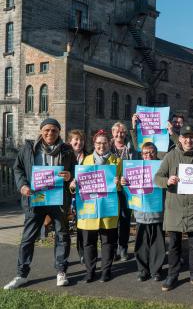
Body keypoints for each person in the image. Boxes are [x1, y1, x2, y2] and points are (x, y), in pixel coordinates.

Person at [4, 118, 76, 289]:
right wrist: (22, 185)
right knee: (28, 238)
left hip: (58, 200)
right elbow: (18, 168)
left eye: (54, 130)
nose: (50, 133)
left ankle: (61, 271)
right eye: (47, 130)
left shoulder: (66, 150)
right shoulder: (29, 148)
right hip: (35, 200)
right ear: (41, 130)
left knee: (62, 236)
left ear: (59, 132)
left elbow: (75, 170)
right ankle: (22, 274)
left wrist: (69, 176)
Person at [154, 125, 193, 291]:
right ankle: (172, 276)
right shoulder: (171, 156)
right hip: (175, 207)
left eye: (191, 137)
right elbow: (158, 177)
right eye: (185, 137)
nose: (188, 140)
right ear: (179, 138)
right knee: (174, 244)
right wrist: (167, 181)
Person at [70, 129, 122, 283]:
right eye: (98, 143)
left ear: (109, 143)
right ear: (94, 144)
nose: (101, 146)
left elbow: (122, 187)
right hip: (88, 208)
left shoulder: (117, 162)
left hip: (108, 208)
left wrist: (119, 184)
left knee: (107, 242)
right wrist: (73, 186)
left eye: (104, 143)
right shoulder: (85, 161)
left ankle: (106, 271)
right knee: (88, 242)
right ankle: (90, 271)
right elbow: (76, 185)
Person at [120, 142, 165, 282]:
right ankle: (142, 270)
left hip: (158, 213)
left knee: (158, 245)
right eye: (145, 153)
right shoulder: (136, 167)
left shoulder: (162, 167)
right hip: (140, 213)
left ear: (156, 153)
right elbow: (127, 185)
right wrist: (123, 181)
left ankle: (156, 271)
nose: (149, 155)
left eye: (151, 152)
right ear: (141, 154)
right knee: (141, 244)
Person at [110, 122, 136, 262]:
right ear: (112, 133)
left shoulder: (130, 148)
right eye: (117, 132)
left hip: (126, 189)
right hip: (112, 189)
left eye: (122, 132)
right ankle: (113, 249)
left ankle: (123, 248)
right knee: (114, 220)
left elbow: (136, 165)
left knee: (125, 219)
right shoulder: (107, 147)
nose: (119, 135)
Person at [67, 129, 88, 265]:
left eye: (81, 140)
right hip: (67, 196)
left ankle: (82, 254)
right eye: (76, 139)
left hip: (84, 197)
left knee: (82, 227)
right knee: (65, 228)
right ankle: (64, 257)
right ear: (70, 141)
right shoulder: (65, 156)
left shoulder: (88, 157)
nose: (78, 142)